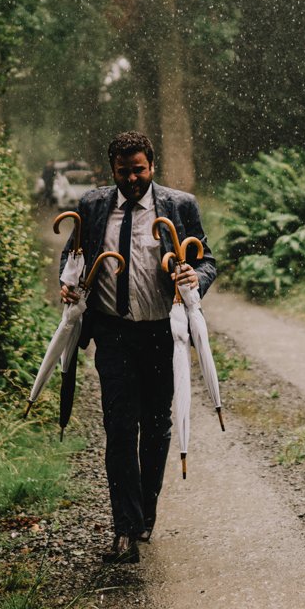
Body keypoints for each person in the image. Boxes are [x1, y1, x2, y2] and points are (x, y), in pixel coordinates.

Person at [59, 131, 216, 564]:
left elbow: (207, 260)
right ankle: (125, 530)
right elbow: (71, 254)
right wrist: (68, 285)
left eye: (139, 170)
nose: (132, 179)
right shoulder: (93, 206)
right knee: (120, 429)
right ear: (112, 169)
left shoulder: (179, 206)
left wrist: (193, 279)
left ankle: (146, 511)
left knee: (157, 425)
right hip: (113, 334)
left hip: (163, 334)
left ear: (153, 166)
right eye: (124, 171)